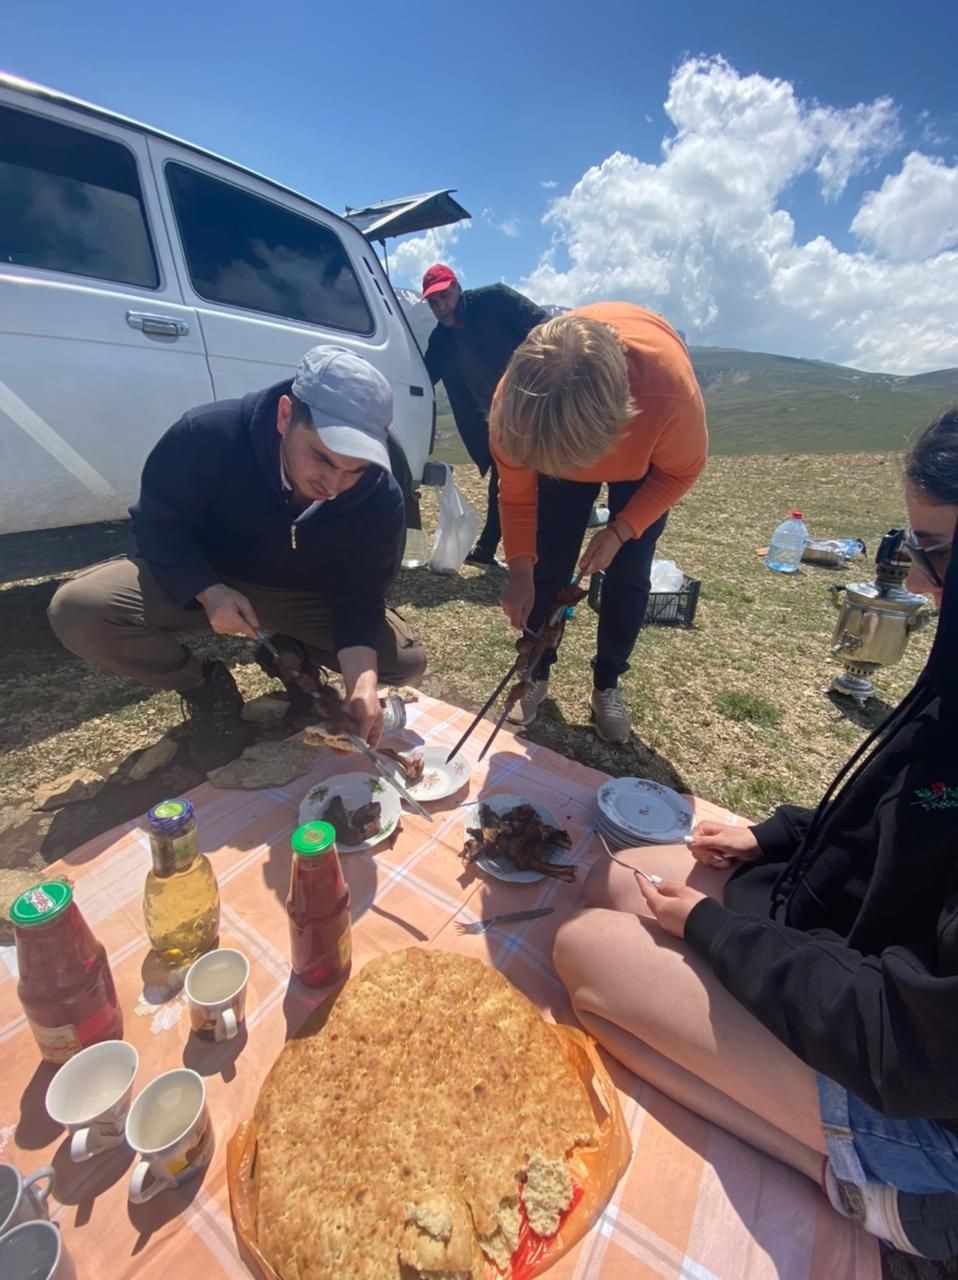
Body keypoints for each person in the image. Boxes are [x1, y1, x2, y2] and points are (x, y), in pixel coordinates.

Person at [553, 407, 958, 1260]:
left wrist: (710, 930)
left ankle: (884, 1201)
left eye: (937, 553)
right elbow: (910, 808)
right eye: (912, 546)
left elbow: (902, 1036)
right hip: (868, 953)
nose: (919, 584)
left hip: (922, 1099)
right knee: (611, 879)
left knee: (587, 956)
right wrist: (776, 838)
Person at [48, 346, 426, 771]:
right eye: (322, 457)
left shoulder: (378, 495)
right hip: (211, 579)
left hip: (306, 596)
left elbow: (361, 595)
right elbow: (158, 527)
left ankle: (290, 652)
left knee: (402, 661)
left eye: (354, 468)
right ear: (286, 416)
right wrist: (208, 591)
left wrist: (361, 685)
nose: (335, 484)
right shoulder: (206, 437)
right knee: (79, 610)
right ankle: (204, 687)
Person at [491, 303, 707, 743]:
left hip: (642, 452)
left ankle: (607, 683)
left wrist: (622, 529)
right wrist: (518, 568)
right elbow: (516, 493)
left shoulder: (669, 394)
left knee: (629, 572)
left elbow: (680, 472)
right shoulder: (517, 406)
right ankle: (535, 672)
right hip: (563, 435)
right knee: (549, 561)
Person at [421, 264, 546, 566]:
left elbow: (545, 326)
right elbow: (423, 378)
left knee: (542, 484)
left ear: (457, 288)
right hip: (496, 422)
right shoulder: (441, 341)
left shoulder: (495, 300)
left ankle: (537, 556)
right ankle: (489, 549)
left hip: (534, 409)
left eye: (444, 296)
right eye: (433, 301)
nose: (440, 306)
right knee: (505, 483)